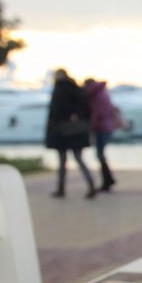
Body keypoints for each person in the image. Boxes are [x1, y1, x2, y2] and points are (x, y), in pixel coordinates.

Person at [45, 68, 97, 199]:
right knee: (78, 158)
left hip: (62, 130)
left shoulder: (59, 89)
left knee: (63, 161)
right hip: (78, 129)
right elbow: (88, 109)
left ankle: (61, 188)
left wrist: (53, 128)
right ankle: (91, 184)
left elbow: (55, 112)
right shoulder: (77, 89)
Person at [84, 78, 119, 192]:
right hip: (106, 126)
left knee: (100, 155)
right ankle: (108, 179)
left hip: (101, 127)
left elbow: (98, 113)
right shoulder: (103, 92)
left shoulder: (96, 95)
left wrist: (90, 126)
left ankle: (107, 180)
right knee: (101, 154)